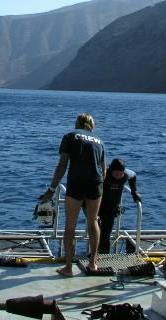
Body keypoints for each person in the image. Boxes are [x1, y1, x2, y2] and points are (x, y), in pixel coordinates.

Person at [41, 113, 105, 277]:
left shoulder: (70, 136)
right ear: (92, 125)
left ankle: (68, 268)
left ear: (77, 123)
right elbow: (103, 170)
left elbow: (62, 164)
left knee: (70, 226)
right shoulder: (99, 141)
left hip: (77, 182)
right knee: (93, 222)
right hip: (96, 184)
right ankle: (92, 264)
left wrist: (52, 188)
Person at [97, 158, 141, 254]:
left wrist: (134, 191)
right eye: (116, 174)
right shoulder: (103, 175)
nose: (119, 176)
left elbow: (133, 176)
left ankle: (103, 256)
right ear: (111, 171)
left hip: (111, 209)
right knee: (96, 232)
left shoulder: (125, 175)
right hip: (97, 207)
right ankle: (94, 253)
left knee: (105, 235)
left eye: (120, 174)